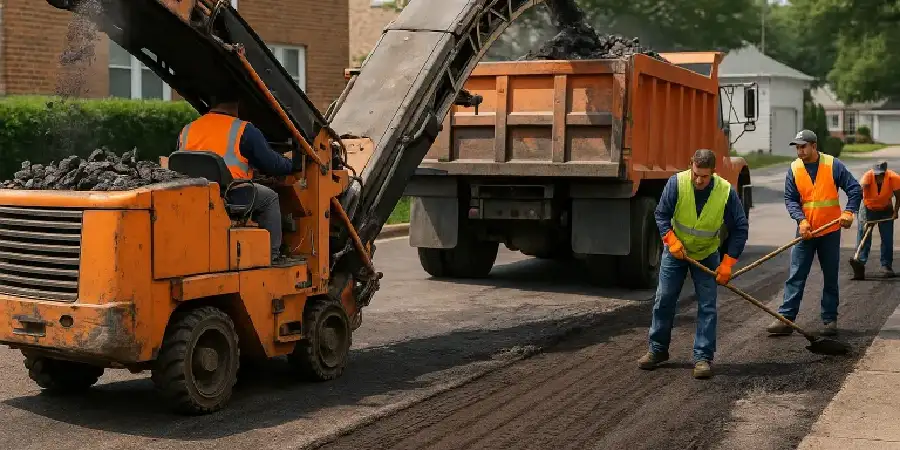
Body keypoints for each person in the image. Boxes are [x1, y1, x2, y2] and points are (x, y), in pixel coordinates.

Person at [638, 149, 749, 379]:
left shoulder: (725, 191)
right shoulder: (676, 184)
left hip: (707, 254)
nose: (699, 180)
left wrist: (728, 263)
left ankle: (702, 358)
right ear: (691, 166)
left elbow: (740, 228)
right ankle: (657, 350)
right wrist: (671, 240)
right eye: (696, 174)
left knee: (707, 306)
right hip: (676, 252)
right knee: (664, 299)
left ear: (713, 173)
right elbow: (661, 215)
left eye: (705, 177)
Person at [176, 92, 295, 263]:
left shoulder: (187, 130)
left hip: (192, 195)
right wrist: (291, 163)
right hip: (230, 195)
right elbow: (273, 165)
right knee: (270, 198)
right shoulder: (243, 130)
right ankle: (272, 256)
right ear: (239, 104)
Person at [767, 129, 861, 337]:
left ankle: (829, 320)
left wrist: (848, 212)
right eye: (797, 147)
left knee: (830, 276)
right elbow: (790, 199)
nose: (800, 151)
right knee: (796, 275)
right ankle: (786, 320)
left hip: (830, 231)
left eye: (803, 147)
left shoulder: (833, 165)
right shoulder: (794, 169)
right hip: (805, 232)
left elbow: (855, 189)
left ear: (814, 146)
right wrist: (801, 221)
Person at [849, 160, 900, 280]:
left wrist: (895, 212)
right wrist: (854, 212)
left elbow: (899, 197)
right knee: (863, 237)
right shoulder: (867, 177)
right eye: (876, 175)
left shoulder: (894, 178)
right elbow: (858, 194)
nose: (878, 177)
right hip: (868, 208)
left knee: (887, 238)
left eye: (881, 175)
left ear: (885, 173)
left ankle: (886, 266)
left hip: (885, 209)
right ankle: (859, 263)